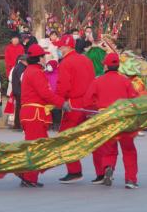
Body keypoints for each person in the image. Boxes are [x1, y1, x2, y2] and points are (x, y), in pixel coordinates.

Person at [84, 53, 140, 188]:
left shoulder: (98, 81)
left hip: (106, 118)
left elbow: (87, 101)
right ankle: (131, 179)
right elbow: (134, 99)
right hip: (123, 118)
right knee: (129, 150)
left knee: (109, 149)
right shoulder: (125, 81)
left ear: (105, 66)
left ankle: (108, 167)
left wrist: (97, 108)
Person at [17, 44, 67, 187]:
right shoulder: (36, 72)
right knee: (37, 147)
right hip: (35, 114)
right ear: (39, 58)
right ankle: (28, 177)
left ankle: (27, 174)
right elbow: (45, 93)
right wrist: (61, 103)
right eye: (44, 56)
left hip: (32, 113)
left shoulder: (31, 71)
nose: (45, 58)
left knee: (36, 146)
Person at [54, 34, 96, 183]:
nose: (58, 48)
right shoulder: (86, 60)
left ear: (67, 47)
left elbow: (63, 86)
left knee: (66, 137)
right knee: (94, 138)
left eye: (60, 46)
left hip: (73, 104)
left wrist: (57, 101)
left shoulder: (66, 63)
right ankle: (102, 171)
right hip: (89, 103)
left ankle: (74, 171)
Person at [11, 54, 28, 130]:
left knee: (19, 107)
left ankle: (17, 124)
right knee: (20, 108)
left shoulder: (19, 67)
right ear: (23, 61)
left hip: (17, 90)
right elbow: (22, 79)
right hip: (20, 90)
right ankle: (19, 124)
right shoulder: (21, 68)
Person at [44, 60, 61, 130]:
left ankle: (57, 124)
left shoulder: (59, 74)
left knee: (56, 110)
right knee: (48, 111)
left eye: (50, 65)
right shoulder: (44, 73)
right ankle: (49, 124)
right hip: (47, 95)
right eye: (47, 65)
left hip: (56, 95)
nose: (48, 67)